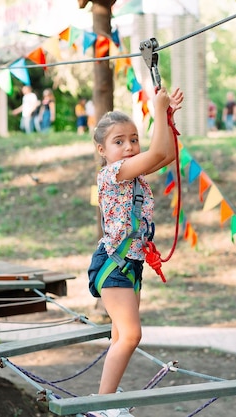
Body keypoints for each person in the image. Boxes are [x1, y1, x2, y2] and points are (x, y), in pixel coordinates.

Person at [87, 86, 184, 417]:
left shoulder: (135, 174)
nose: (128, 146)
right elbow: (157, 155)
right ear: (102, 150)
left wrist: (167, 118)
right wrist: (157, 109)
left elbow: (166, 154)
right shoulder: (113, 173)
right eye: (119, 141)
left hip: (131, 264)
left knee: (120, 335)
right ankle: (102, 406)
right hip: (114, 265)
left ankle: (109, 397)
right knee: (131, 335)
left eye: (133, 139)